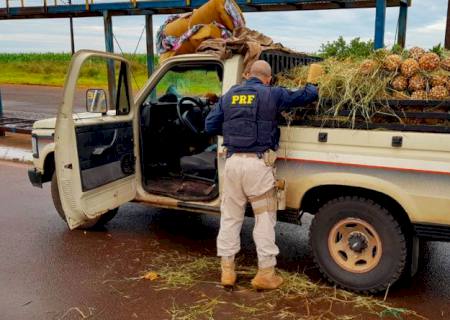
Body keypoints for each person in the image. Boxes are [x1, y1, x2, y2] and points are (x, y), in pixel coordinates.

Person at [205, 60, 320, 290]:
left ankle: (227, 271)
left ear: (247, 75)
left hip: (233, 163)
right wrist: (313, 82)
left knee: (230, 218)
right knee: (264, 219)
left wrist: (233, 130)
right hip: (258, 166)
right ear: (268, 78)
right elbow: (306, 96)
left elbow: (210, 125)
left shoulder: (229, 95)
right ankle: (265, 274)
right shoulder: (273, 93)